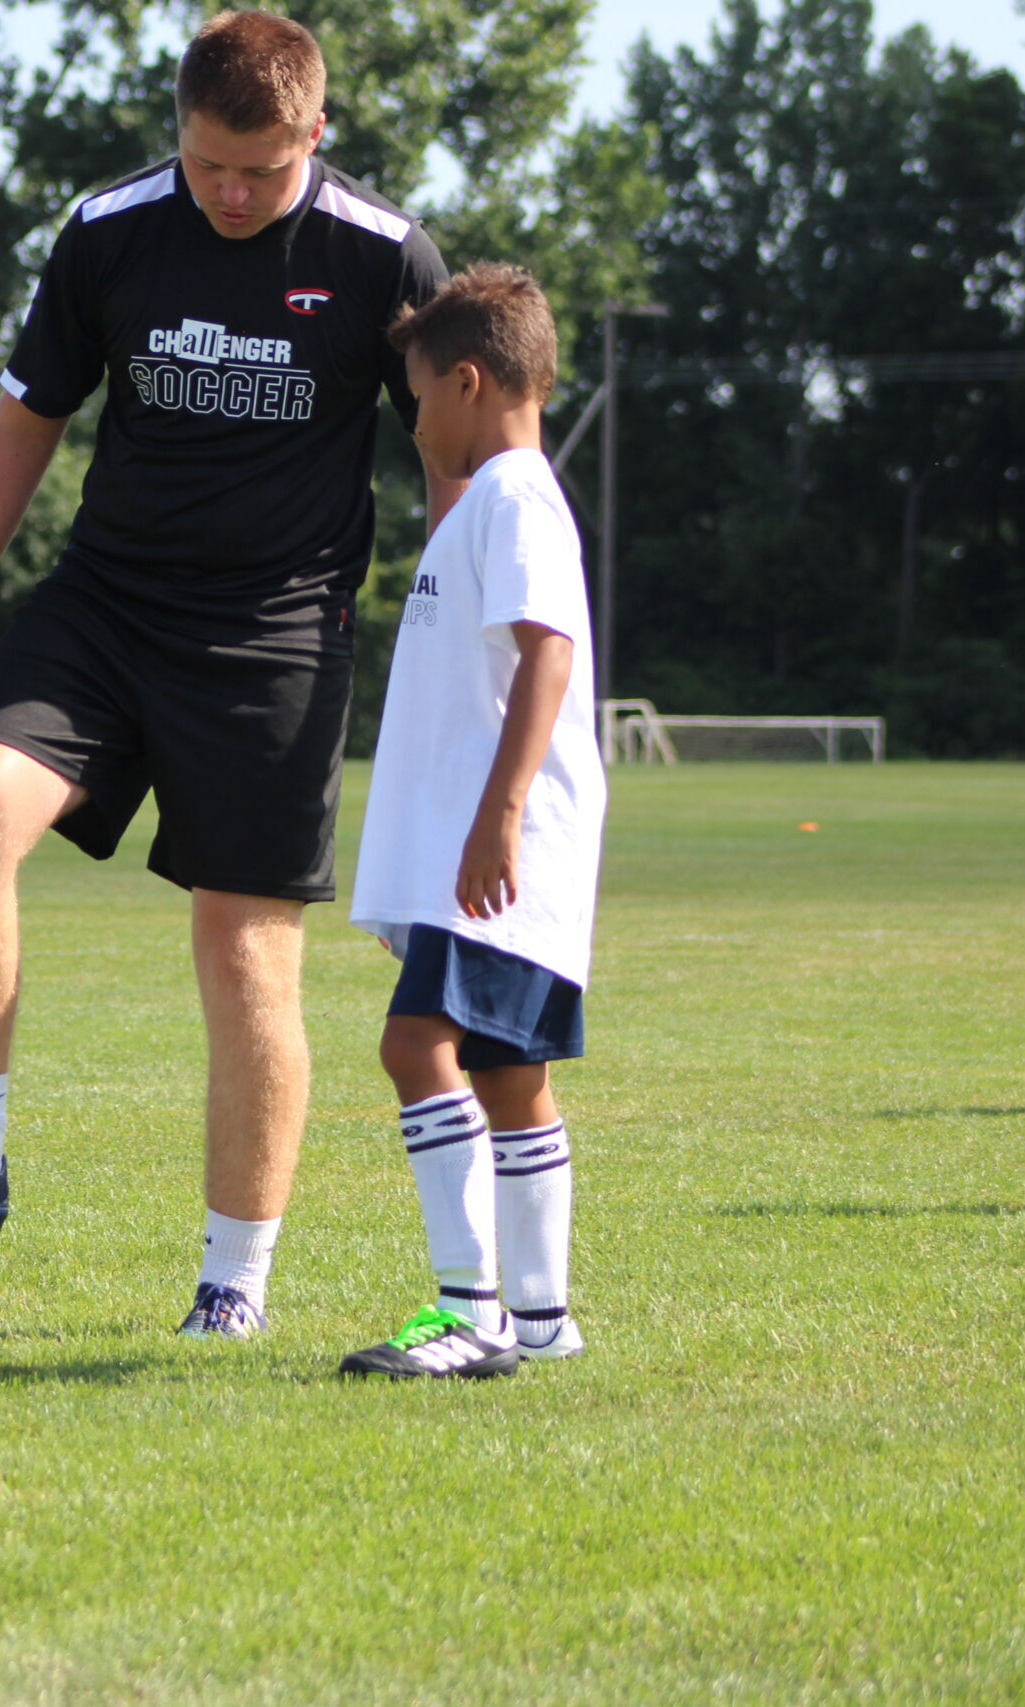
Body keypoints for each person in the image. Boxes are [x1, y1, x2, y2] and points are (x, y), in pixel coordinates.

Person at [0, 10, 461, 1338]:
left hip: (278, 634)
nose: (229, 195)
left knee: (244, 957)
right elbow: (24, 423)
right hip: (106, 608)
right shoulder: (109, 230)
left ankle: (232, 1281)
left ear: (316, 134)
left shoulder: (380, 255)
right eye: (206, 166)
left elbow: (456, 455)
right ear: (176, 133)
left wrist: (481, 637)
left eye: (261, 170)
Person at [337, 262, 600, 1379]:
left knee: (412, 1046)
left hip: (497, 854)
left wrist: (495, 817)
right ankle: (540, 1321)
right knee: (507, 1077)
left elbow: (549, 649)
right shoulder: (495, 501)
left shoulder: (510, 497)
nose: (411, 425)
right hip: (489, 856)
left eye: (415, 398)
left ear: (469, 379)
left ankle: (469, 1310)